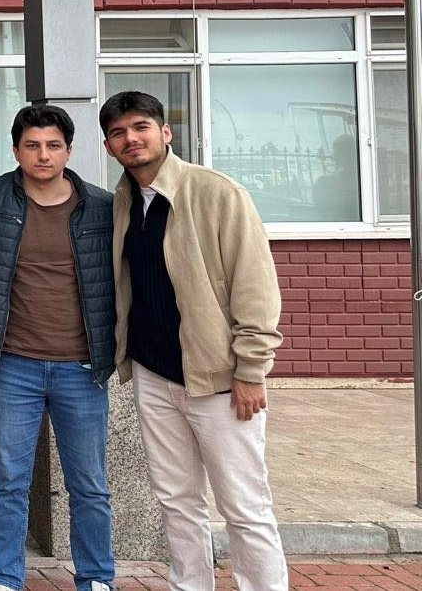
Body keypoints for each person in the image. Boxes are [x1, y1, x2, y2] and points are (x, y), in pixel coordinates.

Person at [100, 91, 287, 591]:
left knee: (244, 505)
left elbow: (255, 287)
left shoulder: (216, 193)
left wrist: (251, 370)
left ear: (165, 132)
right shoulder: (123, 201)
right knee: (176, 500)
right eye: (118, 133)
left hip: (219, 379)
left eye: (140, 127)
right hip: (153, 374)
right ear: (109, 145)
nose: (130, 139)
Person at [0, 105, 115, 591]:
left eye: (53, 145)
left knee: (88, 484)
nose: (43, 155)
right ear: (16, 151)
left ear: (69, 150)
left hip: (82, 366)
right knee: (10, 480)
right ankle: (6, 578)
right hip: (13, 363)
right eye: (32, 145)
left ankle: (96, 578)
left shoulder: (102, 206)